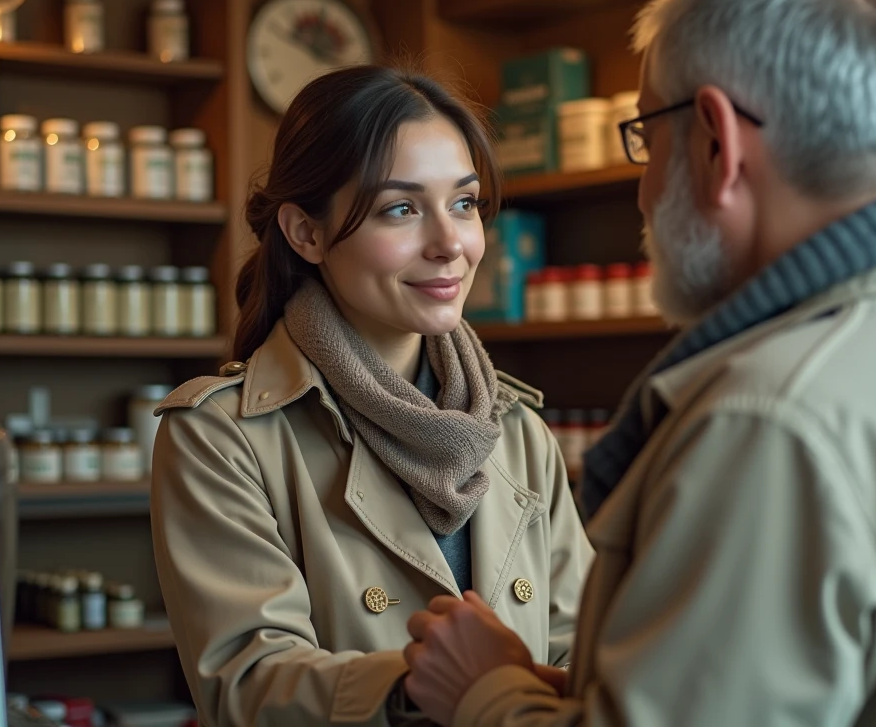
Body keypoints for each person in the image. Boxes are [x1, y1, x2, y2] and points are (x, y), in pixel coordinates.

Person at [401, 0, 876, 726]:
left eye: (648, 140)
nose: (644, 193)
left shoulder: (771, 421)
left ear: (715, 140)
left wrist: (486, 691)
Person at [149, 65, 593, 726]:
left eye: (464, 204)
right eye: (401, 209)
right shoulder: (221, 435)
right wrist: (426, 685)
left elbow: (579, 653)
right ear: (306, 233)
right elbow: (248, 685)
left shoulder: (517, 429)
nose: (450, 244)